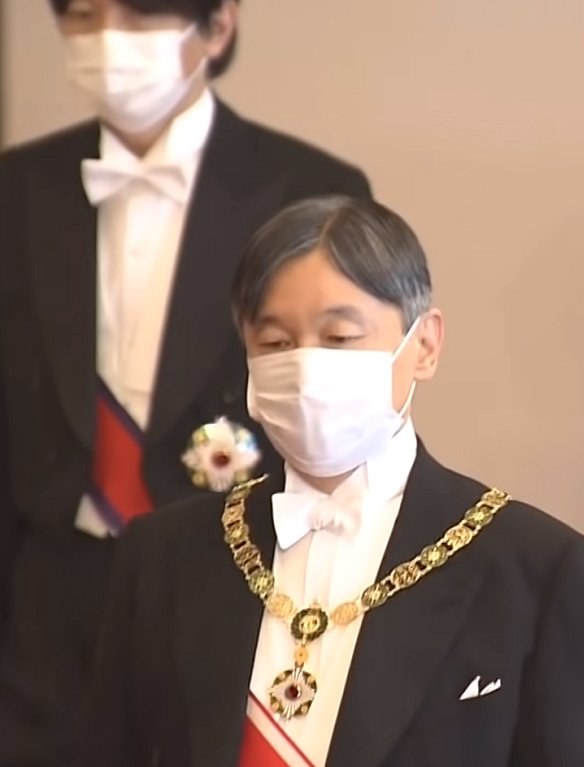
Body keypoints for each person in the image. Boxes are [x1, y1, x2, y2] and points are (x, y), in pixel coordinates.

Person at [75, 195, 584, 767]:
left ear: (425, 345)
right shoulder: (166, 555)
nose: (307, 368)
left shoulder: (536, 569)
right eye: (276, 343)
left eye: (340, 338)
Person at [0, 1, 371, 763]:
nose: (107, 40)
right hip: (46, 591)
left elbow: (341, 404)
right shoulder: (19, 185)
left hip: (229, 573)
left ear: (218, 25)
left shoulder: (309, 188)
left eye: (138, 16)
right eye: (82, 16)